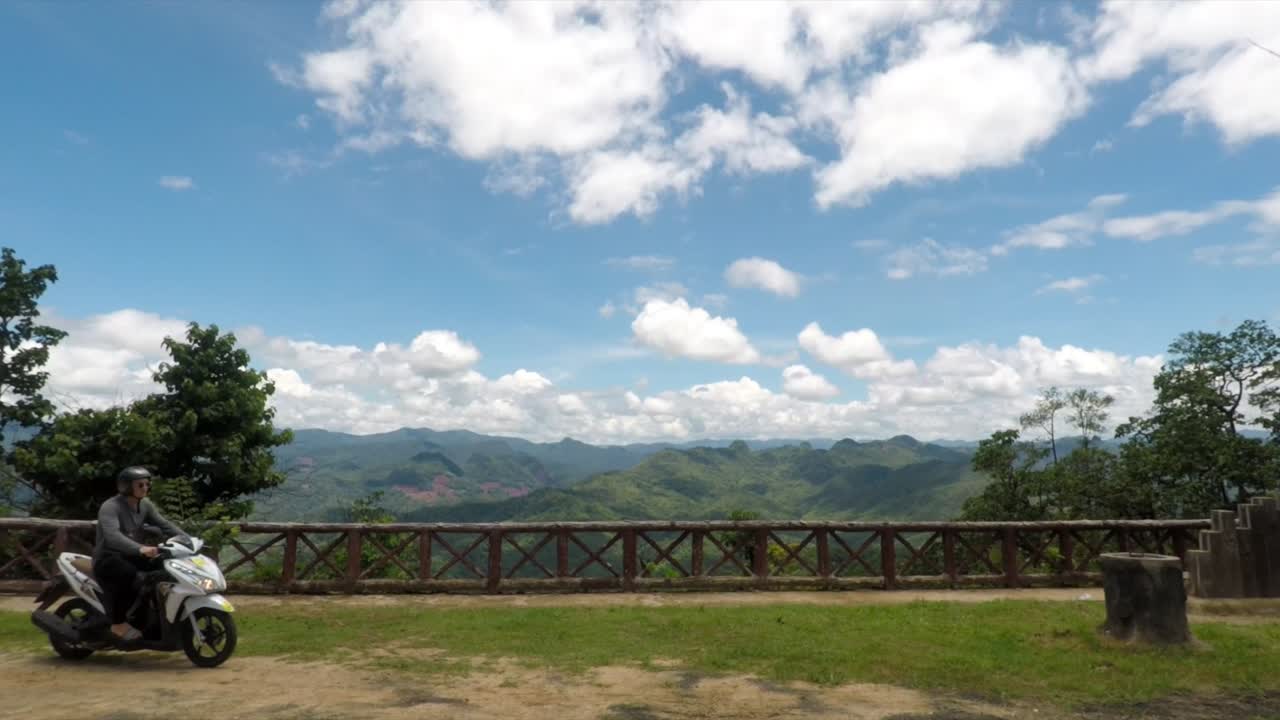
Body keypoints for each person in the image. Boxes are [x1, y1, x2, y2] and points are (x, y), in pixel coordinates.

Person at [92, 466, 188, 642]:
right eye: (140, 485)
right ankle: (118, 623)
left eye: (147, 484)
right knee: (128, 574)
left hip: (131, 554)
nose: (145, 488)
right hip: (108, 557)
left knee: (165, 568)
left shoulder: (145, 504)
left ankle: (154, 621)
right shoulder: (110, 507)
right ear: (126, 486)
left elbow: (165, 525)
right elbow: (113, 536)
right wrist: (140, 549)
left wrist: (188, 540)